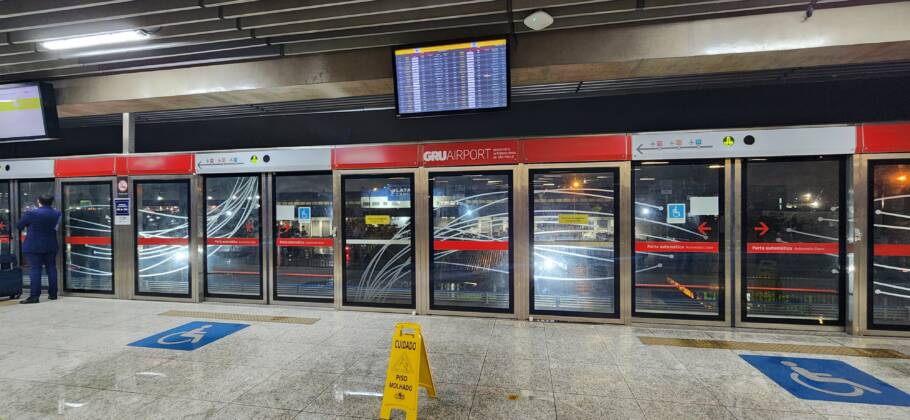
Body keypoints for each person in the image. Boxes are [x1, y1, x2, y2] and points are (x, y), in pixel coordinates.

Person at [17, 194, 62, 304]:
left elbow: (19, 225)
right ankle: (53, 294)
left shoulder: (31, 213)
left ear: (38, 201)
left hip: (33, 246)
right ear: (51, 202)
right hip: (51, 245)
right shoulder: (57, 213)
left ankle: (34, 296)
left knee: (35, 270)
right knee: (51, 269)